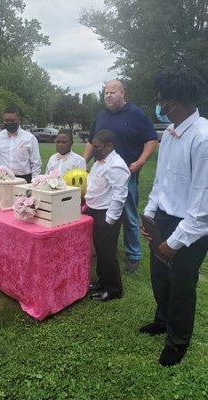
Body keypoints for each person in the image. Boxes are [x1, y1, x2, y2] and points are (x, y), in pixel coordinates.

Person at [140, 68, 208, 366]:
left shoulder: (203, 139)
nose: (158, 105)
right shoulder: (168, 134)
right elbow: (161, 181)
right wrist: (148, 215)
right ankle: (163, 320)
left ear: (176, 103)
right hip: (164, 219)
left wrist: (175, 242)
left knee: (181, 283)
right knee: (159, 277)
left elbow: (202, 204)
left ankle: (178, 340)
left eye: (160, 101)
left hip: (192, 228)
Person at [84, 80, 158, 272]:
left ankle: (133, 255)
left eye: (112, 92)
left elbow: (151, 139)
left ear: (123, 93)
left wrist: (141, 161)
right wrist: (83, 162)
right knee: (99, 211)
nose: (108, 95)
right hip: (101, 173)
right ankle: (103, 248)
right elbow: (93, 142)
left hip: (125, 174)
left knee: (129, 215)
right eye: (106, 92)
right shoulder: (101, 115)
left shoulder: (136, 114)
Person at [85, 130, 130, 301]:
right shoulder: (100, 162)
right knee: (101, 251)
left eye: (97, 147)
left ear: (109, 146)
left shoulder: (116, 165)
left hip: (107, 214)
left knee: (108, 253)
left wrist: (109, 220)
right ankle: (102, 281)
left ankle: (113, 289)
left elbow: (120, 195)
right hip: (95, 212)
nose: (94, 150)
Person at [0, 106, 41, 182]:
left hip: (24, 179)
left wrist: (34, 182)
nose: (9, 123)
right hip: (3, 179)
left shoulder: (30, 138)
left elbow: (36, 163)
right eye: (6, 121)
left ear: (19, 120)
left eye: (12, 120)